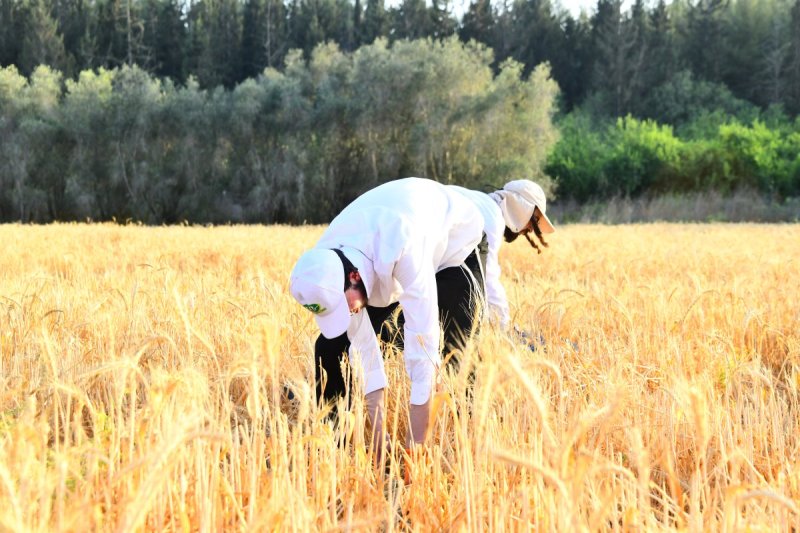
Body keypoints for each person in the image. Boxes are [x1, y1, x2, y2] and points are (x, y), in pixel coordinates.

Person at [289, 177, 487, 460]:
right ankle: (335, 446)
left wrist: (413, 450)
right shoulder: (329, 266)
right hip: (389, 239)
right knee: (330, 347)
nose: (349, 314)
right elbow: (366, 354)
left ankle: (462, 447)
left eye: (345, 307)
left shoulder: (401, 244)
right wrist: (380, 444)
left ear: (354, 279)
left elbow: (424, 350)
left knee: (458, 350)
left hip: (457, 244)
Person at [450, 180, 555, 332]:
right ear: (523, 208)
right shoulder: (491, 217)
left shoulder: (482, 202)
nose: (532, 229)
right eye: (535, 219)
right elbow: (486, 277)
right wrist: (503, 326)